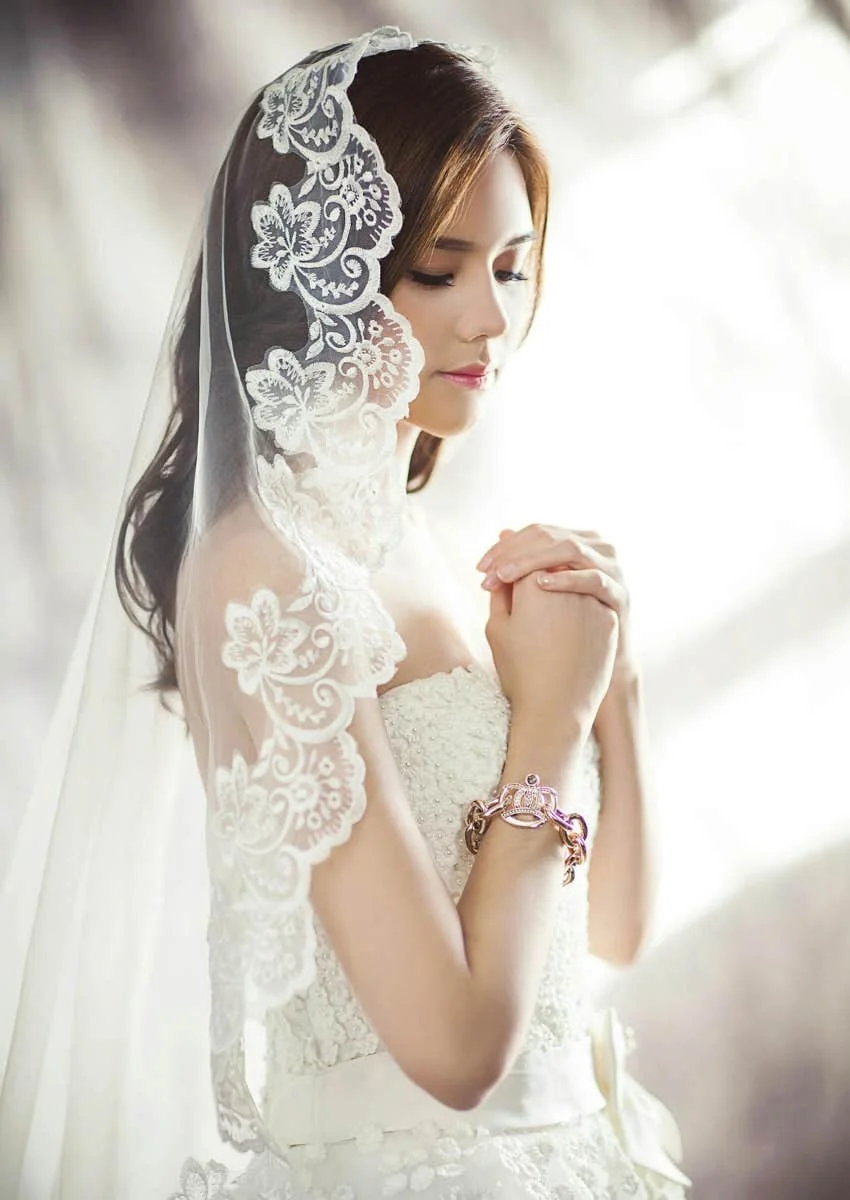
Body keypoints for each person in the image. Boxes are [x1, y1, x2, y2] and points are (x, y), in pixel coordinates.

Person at [0, 26, 692, 1199]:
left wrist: (606, 684)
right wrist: (552, 712)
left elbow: (607, 935)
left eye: (513, 266)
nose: (490, 319)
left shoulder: (406, 539)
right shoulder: (261, 572)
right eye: (439, 267)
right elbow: (459, 1051)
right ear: (319, 271)